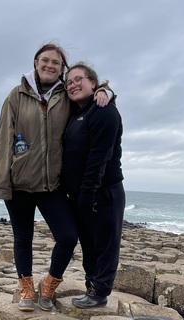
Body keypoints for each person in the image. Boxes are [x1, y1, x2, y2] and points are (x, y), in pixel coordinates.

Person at [0, 43, 112, 312]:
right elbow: (3, 141)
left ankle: (48, 286)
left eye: (56, 63)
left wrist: (105, 90)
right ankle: (26, 290)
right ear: (35, 63)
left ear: (62, 69)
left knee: (69, 237)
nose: (49, 65)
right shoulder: (16, 95)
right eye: (44, 60)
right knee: (22, 238)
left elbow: (88, 99)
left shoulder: (65, 96)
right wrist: (3, 184)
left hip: (53, 185)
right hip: (20, 183)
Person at [61, 62, 125, 309]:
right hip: (80, 192)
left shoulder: (104, 111)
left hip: (104, 190)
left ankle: (100, 292)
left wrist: (88, 194)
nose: (73, 85)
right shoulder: (75, 113)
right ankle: (92, 285)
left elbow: (99, 157)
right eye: (69, 82)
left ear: (93, 83)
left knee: (105, 244)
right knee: (88, 243)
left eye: (78, 79)